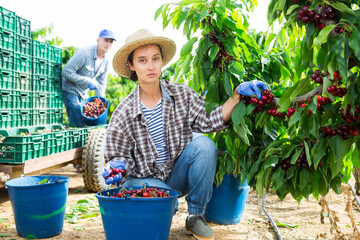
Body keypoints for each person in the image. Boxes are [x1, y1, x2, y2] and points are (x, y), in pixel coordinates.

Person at [103, 29, 267, 240]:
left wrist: (235, 96)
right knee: (161, 199)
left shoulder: (181, 95)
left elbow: (211, 120)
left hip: (175, 175)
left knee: (205, 146)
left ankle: (195, 216)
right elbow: (118, 158)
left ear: (162, 61)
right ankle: (161, 211)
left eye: (155, 58)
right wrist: (118, 166)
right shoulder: (123, 113)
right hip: (144, 182)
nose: (151, 66)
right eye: (142, 61)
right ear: (132, 66)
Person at [62, 29, 116, 127]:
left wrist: (101, 102)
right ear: (98, 40)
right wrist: (87, 81)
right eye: (106, 40)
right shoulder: (85, 53)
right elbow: (66, 72)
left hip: (84, 94)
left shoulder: (106, 61)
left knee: (88, 124)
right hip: (71, 90)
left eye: (111, 41)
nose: (108, 44)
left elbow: (102, 83)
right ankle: (76, 141)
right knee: (77, 123)